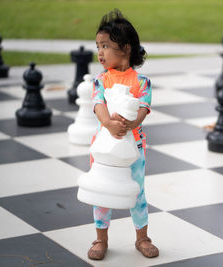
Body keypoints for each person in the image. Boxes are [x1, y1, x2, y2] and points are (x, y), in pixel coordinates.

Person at [87, 9, 158, 260]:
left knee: (137, 191)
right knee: (102, 190)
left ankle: (142, 237)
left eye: (105, 45)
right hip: (104, 146)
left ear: (126, 48)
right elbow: (98, 105)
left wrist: (129, 125)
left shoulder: (142, 81)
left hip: (133, 147)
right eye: (98, 46)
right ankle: (100, 239)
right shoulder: (101, 80)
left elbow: (143, 109)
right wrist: (107, 123)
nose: (100, 52)